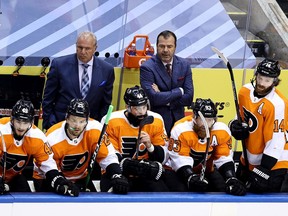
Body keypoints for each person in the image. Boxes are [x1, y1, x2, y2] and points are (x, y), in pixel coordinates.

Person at [33, 98, 129, 194]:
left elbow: (108, 157)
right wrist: (61, 182)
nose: (77, 126)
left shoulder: (96, 130)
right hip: (48, 178)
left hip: (80, 178)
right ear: (66, 118)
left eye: (82, 121)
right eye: (74, 120)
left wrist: (117, 175)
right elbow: (47, 167)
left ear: (87, 120)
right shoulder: (53, 137)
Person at [229, 59, 288, 193]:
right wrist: (234, 126)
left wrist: (263, 170)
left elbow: (276, 140)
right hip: (248, 159)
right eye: (260, 78)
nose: (261, 83)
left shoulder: (277, 104)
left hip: (273, 164)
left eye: (267, 81)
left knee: (262, 201)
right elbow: (240, 116)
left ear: (274, 82)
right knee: (238, 194)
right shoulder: (245, 91)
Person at [166, 98, 246, 195]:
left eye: (209, 120)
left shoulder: (221, 130)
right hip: (177, 172)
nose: (205, 125)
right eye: (202, 119)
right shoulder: (181, 130)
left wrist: (231, 177)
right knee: (184, 193)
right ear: (194, 118)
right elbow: (179, 160)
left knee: (225, 189)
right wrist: (191, 177)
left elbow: (223, 158)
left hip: (205, 170)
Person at [0, 99, 79, 196]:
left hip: (14, 177)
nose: (21, 127)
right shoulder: (1, 130)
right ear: (12, 119)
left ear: (32, 121)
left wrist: (59, 181)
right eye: (18, 121)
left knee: (26, 200)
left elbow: (48, 164)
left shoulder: (37, 137)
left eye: (25, 122)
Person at [42, 31, 115, 130]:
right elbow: (48, 98)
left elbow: (106, 103)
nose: (83, 51)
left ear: (95, 48)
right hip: (60, 125)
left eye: (87, 48)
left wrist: (99, 127)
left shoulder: (107, 70)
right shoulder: (59, 65)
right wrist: (50, 124)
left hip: (90, 128)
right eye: (80, 47)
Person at [101, 85, 169, 192]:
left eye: (144, 107)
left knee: (162, 192)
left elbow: (164, 157)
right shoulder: (111, 121)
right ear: (128, 107)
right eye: (136, 108)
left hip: (145, 173)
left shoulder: (156, 120)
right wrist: (129, 165)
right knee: (116, 190)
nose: (141, 112)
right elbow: (108, 155)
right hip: (119, 171)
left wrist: (150, 146)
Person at [140, 30, 193, 136]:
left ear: (175, 47)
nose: (165, 50)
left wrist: (163, 97)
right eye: (161, 46)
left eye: (169, 46)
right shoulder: (147, 67)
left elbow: (189, 98)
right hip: (157, 123)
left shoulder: (184, 65)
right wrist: (179, 91)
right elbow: (154, 98)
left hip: (179, 123)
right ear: (156, 47)